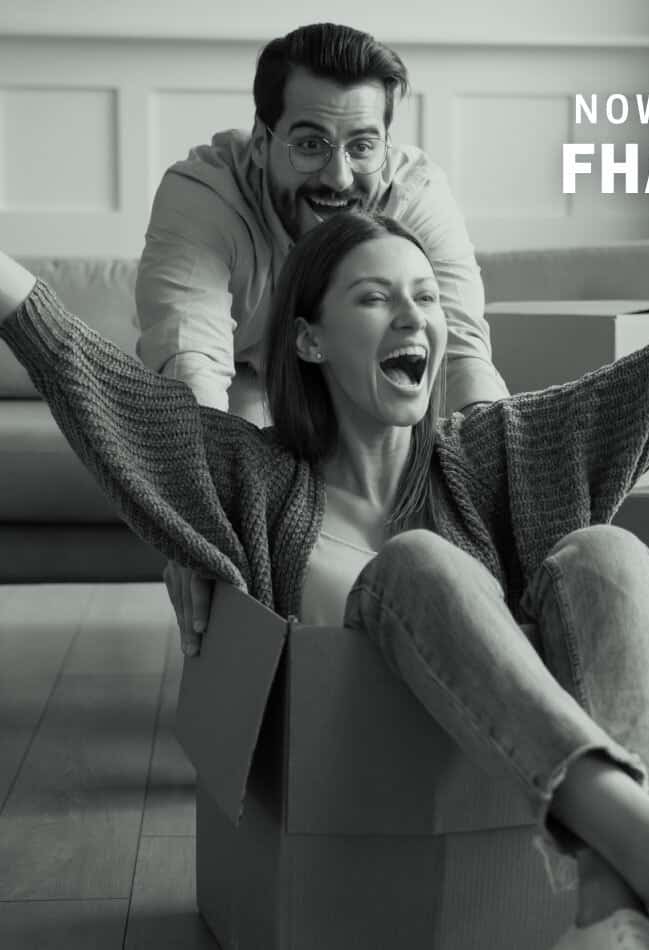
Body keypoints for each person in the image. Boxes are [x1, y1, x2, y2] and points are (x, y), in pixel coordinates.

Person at [0, 212, 649, 950]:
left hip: (490, 782)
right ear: (309, 340)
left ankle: (613, 916)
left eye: (426, 296)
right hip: (353, 796)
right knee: (414, 561)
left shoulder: (487, 455)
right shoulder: (252, 476)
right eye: (375, 298)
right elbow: (86, 368)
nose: (412, 314)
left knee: (607, 551)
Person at [136, 21, 510, 662]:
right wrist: (196, 531)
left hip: (342, 374)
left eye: (362, 146)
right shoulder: (202, 196)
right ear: (261, 141)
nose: (339, 175)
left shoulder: (417, 195)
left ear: (386, 146)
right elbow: (192, 365)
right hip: (244, 373)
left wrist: (503, 504)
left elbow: (466, 357)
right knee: (242, 476)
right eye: (310, 143)